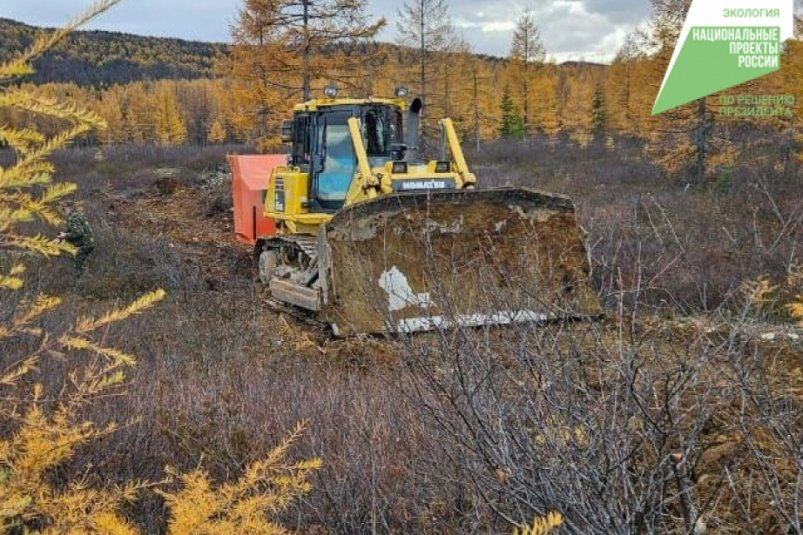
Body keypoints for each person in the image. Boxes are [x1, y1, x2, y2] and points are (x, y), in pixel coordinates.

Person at [57, 203, 95, 273]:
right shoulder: (78, 216)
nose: (62, 212)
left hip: (83, 246)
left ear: (68, 208)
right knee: (83, 266)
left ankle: (80, 280)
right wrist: (63, 236)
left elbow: (78, 233)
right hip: (88, 245)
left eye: (63, 209)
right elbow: (73, 231)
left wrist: (65, 235)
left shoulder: (73, 218)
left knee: (77, 270)